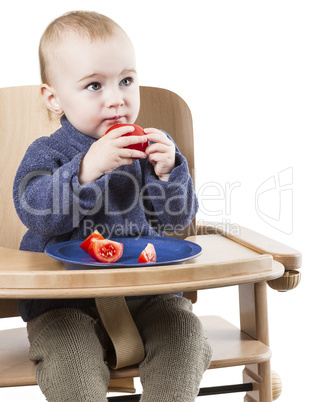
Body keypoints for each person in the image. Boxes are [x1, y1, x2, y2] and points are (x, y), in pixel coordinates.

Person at [13, 10, 212, 402]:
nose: (116, 99)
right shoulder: (47, 152)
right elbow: (34, 210)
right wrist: (86, 170)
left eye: (125, 80)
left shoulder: (150, 148)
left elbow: (177, 222)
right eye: (93, 86)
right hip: (63, 304)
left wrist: (169, 173)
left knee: (186, 335)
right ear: (53, 97)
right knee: (69, 358)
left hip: (147, 295)